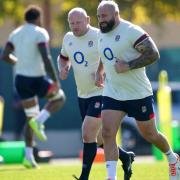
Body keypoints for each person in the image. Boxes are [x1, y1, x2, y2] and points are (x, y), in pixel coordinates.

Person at [95, 1, 180, 180]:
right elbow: (105, 54)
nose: (101, 20)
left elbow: (153, 53)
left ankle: (172, 158)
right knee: (107, 132)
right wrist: (99, 72)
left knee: (150, 134)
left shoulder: (131, 31)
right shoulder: (101, 34)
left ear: (116, 15)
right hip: (113, 92)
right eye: (98, 16)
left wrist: (129, 65)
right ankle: (111, 177)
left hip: (137, 93)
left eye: (104, 16)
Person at [57, 7, 135, 180]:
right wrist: (63, 68)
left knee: (86, 133)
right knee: (99, 139)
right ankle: (125, 157)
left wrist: (103, 71)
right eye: (72, 23)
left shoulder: (99, 35)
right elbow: (63, 57)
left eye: (78, 22)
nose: (75, 26)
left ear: (88, 20)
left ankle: (84, 176)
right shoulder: (68, 38)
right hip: (82, 94)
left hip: (102, 92)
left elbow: (112, 57)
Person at [0, 5, 65, 168]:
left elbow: (5, 56)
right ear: (38, 18)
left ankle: (28, 157)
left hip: (21, 81)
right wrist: (55, 79)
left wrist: (18, 62)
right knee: (60, 97)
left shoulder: (15, 33)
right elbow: (46, 57)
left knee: (30, 117)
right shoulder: (40, 32)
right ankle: (40, 120)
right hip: (37, 79)